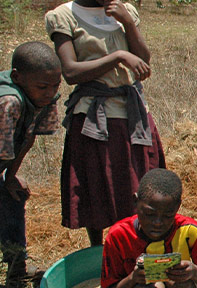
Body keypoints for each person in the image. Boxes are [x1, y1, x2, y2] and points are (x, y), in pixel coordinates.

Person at [46, 0, 165, 247]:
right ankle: (98, 251)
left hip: (132, 114)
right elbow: (70, 72)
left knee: (136, 185)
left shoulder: (124, 12)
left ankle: (134, 245)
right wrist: (118, 56)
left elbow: (143, 60)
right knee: (97, 184)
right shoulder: (64, 16)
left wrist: (129, 23)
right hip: (95, 116)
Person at [0, 42, 61, 288]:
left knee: (13, 199)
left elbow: (27, 137)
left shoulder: (44, 97)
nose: (50, 92)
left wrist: (11, 177)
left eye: (56, 86)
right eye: (43, 87)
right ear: (17, 77)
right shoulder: (9, 103)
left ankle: (17, 269)